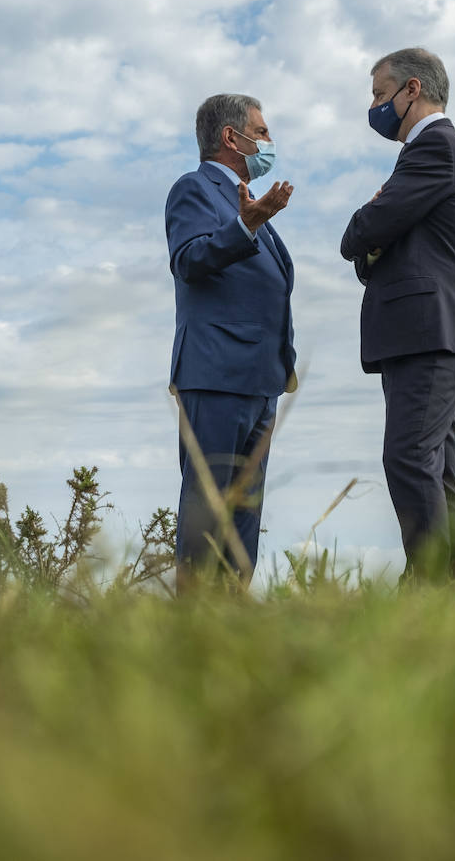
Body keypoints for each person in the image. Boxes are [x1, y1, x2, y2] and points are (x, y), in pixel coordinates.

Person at [339, 47, 455, 590]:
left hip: (431, 331)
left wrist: (367, 229)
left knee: (408, 457)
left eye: (380, 94)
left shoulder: (436, 150)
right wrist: (373, 239)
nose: (375, 106)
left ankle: (429, 590)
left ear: (412, 90)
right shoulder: (428, 157)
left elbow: (362, 232)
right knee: (434, 466)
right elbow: (373, 245)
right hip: (424, 333)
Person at [165, 93, 297, 591]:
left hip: (260, 381)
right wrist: (249, 222)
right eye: (261, 133)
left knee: (243, 518)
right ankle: (192, 631)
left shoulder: (244, 197)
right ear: (231, 137)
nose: (267, 142)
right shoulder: (193, 190)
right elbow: (190, 261)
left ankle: (233, 629)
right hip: (216, 373)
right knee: (207, 509)